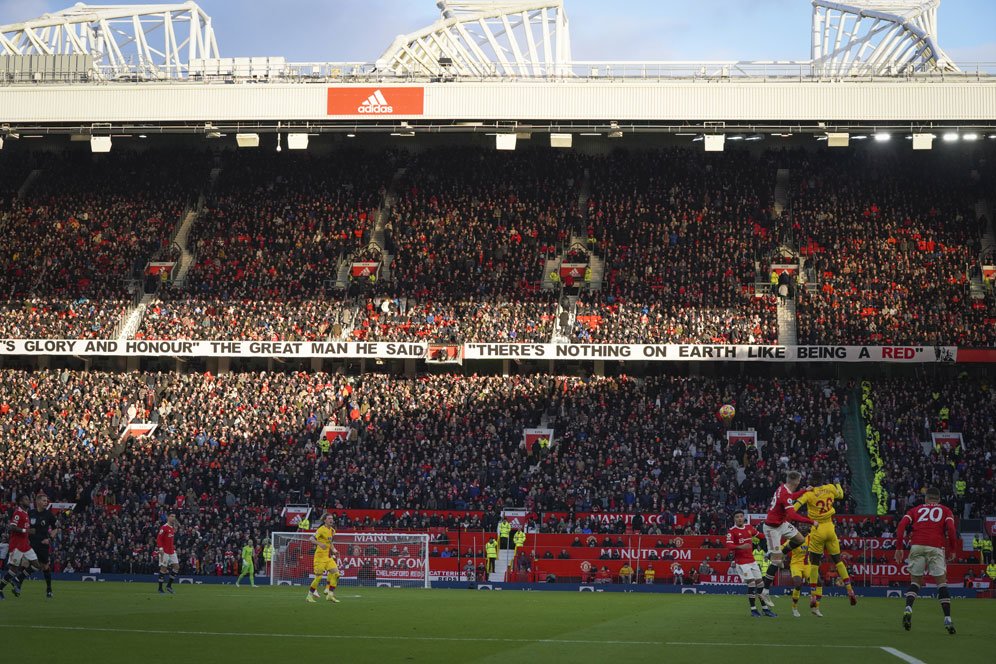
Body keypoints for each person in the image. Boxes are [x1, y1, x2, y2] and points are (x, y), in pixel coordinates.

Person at [894, 486, 957, 634]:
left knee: (915, 582)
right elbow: (952, 530)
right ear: (939, 499)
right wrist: (953, 550)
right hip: (936, 547)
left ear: (926, 498)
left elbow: (902, 525)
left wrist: (899, 548)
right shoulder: (946, 510)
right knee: (941, 583)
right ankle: (947, 619)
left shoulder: (916, 510)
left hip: (917, 545)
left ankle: (908, 608)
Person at [792, 474, 857, 612]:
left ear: (811, 483)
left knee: (814, 563)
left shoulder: (809, 493)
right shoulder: (830, 487)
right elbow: (840, 495)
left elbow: (795, 507)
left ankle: (813, 595)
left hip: (817, 528)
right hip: (830, 527)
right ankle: (850, 590)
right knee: (838, 560)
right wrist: (838, 483)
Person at [761, 470, 814, 608]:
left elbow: (792, 497)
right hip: (772, 529)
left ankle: (776, 553)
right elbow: (793, 515)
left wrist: (804, 491)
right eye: (800, 481)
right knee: (777, 562)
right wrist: (811, 522)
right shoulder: (785, 493)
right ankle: (765, 591)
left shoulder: (784, 488)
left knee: (800, 539)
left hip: (781, 524)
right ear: (796, 481)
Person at [726, 509, 772, 618]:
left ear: (744, 517)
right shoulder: (732, 531)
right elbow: (729, 546)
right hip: (742, 563)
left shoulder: (749, 527)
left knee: (760, 584)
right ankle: (753, 609)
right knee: (752, 583)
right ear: (734, 519)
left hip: (752, 561)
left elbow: (760, 535)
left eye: (741, 516)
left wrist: (770, 533)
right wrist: (741, 546)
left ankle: (765, 609)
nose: (739, 518)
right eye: (737, 517)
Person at [0, 495, 38, 599]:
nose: (29, 500)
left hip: (25, 545)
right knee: (13, 570)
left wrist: (27, 536)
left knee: (36, 565)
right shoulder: (18, 513)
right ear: (21, 502)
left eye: (28, 498)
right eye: (26, 499)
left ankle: (18, 579)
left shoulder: (26, 514)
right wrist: (26, 531)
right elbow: (11, 527)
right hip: (16, 545)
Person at [29, 493, 59, 598]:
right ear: (37, 501)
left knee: (45, 566)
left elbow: (55, 528)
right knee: (27, 563)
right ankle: (17, 583)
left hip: (42, 544)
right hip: (31, 543)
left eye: (46, 501)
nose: (46, 503)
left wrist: (50, 539)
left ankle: (49, 588)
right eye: (44, 501)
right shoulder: (30, 513)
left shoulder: (49, 514)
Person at [308, 513, 340, 603]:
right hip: (319, 558)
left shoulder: (333, 530)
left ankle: (330, 595)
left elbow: (330, 543)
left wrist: (334, 550)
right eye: (329, 518)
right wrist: (319, 543)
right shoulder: (321, 530)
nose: (331, 520)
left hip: (328, 558)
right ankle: (309, 596)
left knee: (336, 574)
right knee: (318, 578)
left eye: (332, 518)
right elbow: (311, 539)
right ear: (325, 520)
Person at [784, 526, 811, 617]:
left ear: (808, 528)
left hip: (807, 565)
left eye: (804, 526)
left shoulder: (812, 537)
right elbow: (784, 546)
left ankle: (815, 605)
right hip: (795, 564)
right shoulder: (795, 538)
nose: (802, 528)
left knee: (817, 582)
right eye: (800, 527)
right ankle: (794, 608)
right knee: (798, 584)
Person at [156, 513, 180, 595]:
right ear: (168, 518)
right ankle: (160, 588)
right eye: (172, 516)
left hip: (172, 551)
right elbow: (159, 539)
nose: (173, 518)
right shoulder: (164, 527)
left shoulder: (172, 528)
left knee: (176, 567)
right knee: (164, 569)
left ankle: (169, 586)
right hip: (165, 551)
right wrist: (161, 548)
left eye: (174, 517)